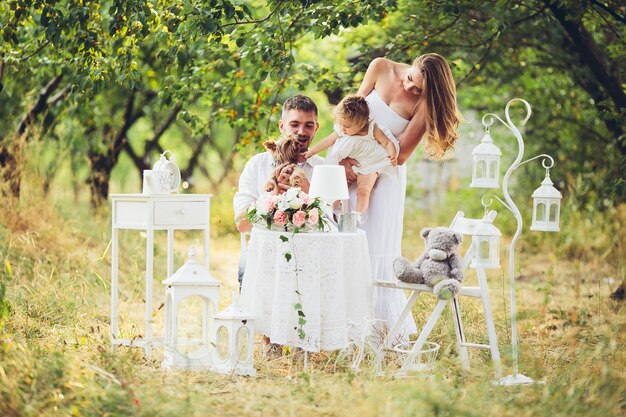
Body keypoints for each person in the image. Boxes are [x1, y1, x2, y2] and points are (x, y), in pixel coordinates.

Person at [319, 53, 462, 342]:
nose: (411, 89)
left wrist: (363, 170)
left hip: (383, 178)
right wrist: (343, 162)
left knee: (373, 243)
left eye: (419, 90)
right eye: (411, 80)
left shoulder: (424, 105)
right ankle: (337, 324)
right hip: (347, 163)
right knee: (339, 234)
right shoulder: (380, 67)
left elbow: (402, 155)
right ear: (411, 65)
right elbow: (350, 116)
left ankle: (376, 329)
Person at [233, 95, 325, 283]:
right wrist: (272, 196)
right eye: (294, 124)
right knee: (246, 264)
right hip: (264, 249)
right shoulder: (258, 164)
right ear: (282, 126)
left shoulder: (323, 169)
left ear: (316, 128)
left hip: (312, 250)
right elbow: (242, 224)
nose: (301, 131)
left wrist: (308, 192)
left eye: (308, 125)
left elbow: (334, 225)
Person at [303, 95, 398, 215]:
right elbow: (327, 141)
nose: (342, 129)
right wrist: (310, 153)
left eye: (347, 126)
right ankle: (327, 212)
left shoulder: (372, 128)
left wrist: (392, 154)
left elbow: (387, 142)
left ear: (362, 123)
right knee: (337, 187)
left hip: (369, 164)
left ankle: (357, 216)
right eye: (340, 124)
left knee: (363, 191)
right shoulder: (341, 129)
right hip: (351, 163)